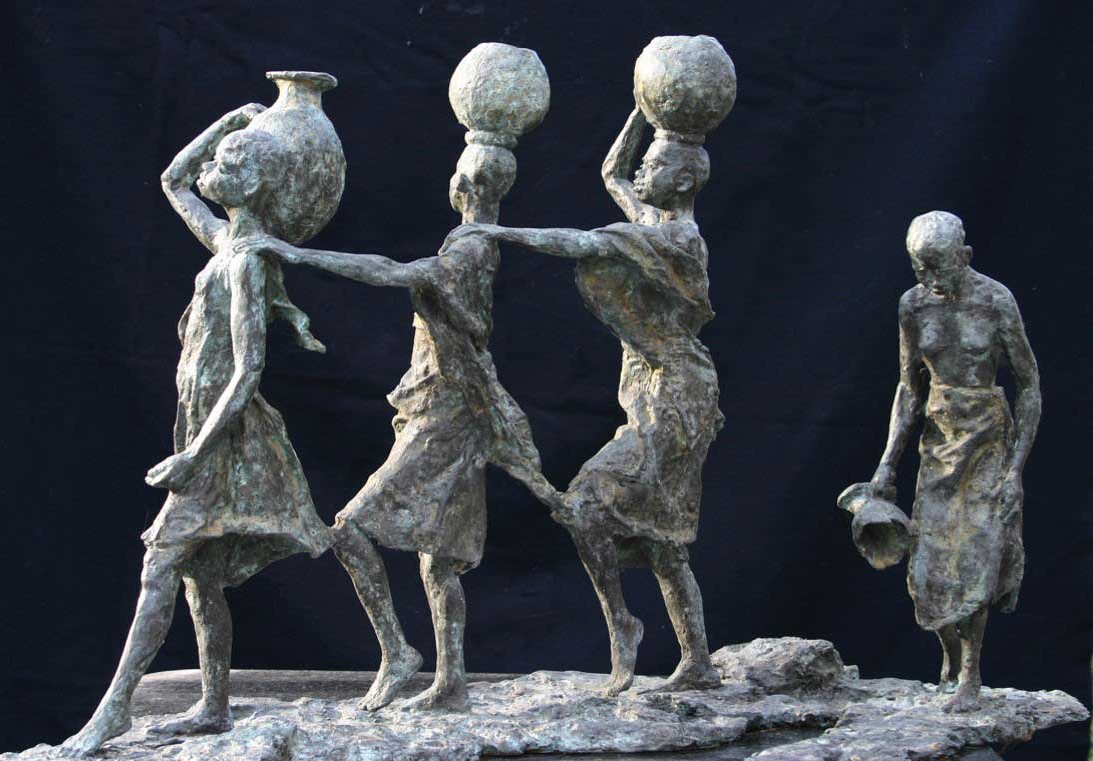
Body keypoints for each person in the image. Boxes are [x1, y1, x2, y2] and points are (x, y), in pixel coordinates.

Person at [238, 138, 559, 712]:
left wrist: (294, 253)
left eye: (460, 172)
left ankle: (397, 652)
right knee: (438, 557)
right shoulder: (478, 241)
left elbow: (391, 272)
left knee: (350, 529)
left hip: (445, 418)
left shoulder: (468, 249)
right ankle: (450, 681)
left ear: (465, 185)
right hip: (454, 410)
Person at [63, 104, 330, 753]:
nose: (212, 167)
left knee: (162, 562)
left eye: (228, 163)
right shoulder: (224, 243)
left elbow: (247, 370)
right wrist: (230, 122)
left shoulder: (247, 261)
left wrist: (195, 457)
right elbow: (173, 179)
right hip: (201, 428)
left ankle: (115, 709)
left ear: (254, 185)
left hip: (222, 440)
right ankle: (213, 704)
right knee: (198, 577)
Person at [447, 106, 724, 696]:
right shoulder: (653, 220)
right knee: (662, 539)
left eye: (654, 165)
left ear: (681, 181)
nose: (642, 172)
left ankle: (624, 625)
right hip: (651, 386)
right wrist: (642, 108)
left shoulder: (676, 238)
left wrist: (498, 233)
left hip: (677, 392)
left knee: (587, 505)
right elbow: (611, 173)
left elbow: (583, 244)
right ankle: (696, 660)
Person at [867, 210, 1040, 713]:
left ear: (964, 257)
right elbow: (908, 389)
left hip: (988, 439)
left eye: (937, 266)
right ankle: (949, 653)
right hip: (939, 441)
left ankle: (971, 672)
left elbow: (1029, 386)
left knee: (977, 555)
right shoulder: (913, 305)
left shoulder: (995, 300)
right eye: (918, 267)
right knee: (927, 564)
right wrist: (887, 464)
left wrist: (1015, 471)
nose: (928, 278)